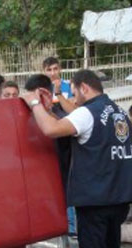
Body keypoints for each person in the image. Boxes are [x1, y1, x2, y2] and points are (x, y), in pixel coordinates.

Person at [22, 69, 132, 248]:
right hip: (119, 198)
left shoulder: (88, 113)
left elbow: (50, 130)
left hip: (95, 201)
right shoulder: (119, 112)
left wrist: (35, 103)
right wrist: (58, 104)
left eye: (73, 92)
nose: (73, 98)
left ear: (84, 88)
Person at [42, 57, 77, 236]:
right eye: (49, 69)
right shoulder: (41, 88)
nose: (53, 72)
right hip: (49, 138)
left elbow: (72, 110)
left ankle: (71, 225)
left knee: (68, 179)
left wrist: (59, 94)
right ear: (44, 71)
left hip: (67, 136)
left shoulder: (68, 85)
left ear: (60, 69)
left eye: (55, 68)